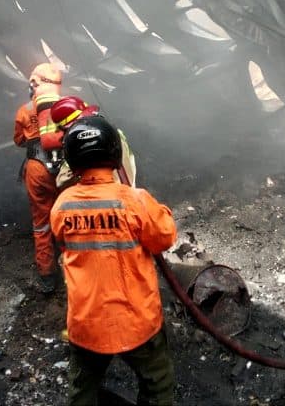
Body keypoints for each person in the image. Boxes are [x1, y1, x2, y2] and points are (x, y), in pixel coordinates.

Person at [50, 116, 177, 406]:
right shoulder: (135, 200)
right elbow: (165, 237)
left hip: (86, 324)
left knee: (82, 390)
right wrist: (161, 211)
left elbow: (62, 240)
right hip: (137, 322)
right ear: (114, 154)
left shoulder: (63, 204)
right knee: (158, 386)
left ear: (72, 160)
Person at [13, 62, 64, 294]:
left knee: (41, 223)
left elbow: (18, 140)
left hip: (36, 169)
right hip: (65, 169)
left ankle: (46, 275)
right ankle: (73, 267)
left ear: (34, 83)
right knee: (67, 216)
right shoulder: (66, 105)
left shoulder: (24, 109)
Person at [50, 95, 136, 189]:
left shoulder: (81, 143)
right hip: (127, 191)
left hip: (96, 197)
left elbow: (61, 182)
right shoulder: (112, 132)